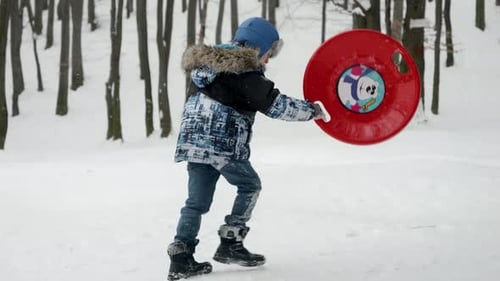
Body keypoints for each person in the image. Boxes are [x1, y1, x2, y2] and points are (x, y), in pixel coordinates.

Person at [167, 17, 330, 281]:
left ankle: (181, 256)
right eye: (269, 52)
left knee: (196, 202)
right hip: (221, 142)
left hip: (193, 142)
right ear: (258, 47)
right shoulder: (244, 71)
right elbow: (276, 105)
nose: (268, 60)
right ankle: (231, 242)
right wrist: (313, 110)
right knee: (250, 185)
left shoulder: (207, 65)